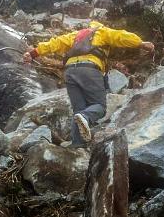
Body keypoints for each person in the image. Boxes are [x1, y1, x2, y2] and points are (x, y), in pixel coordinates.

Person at [23, 21, 154, 146]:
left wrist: (32, 53)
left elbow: (55, 43)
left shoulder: (76, 35)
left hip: (70, 72)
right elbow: (120, 36)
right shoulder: (102, 31)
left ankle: (77, 144)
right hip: (89, 69)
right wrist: (141, 43)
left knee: (78, 110)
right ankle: (85, 117)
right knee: (100, 107)